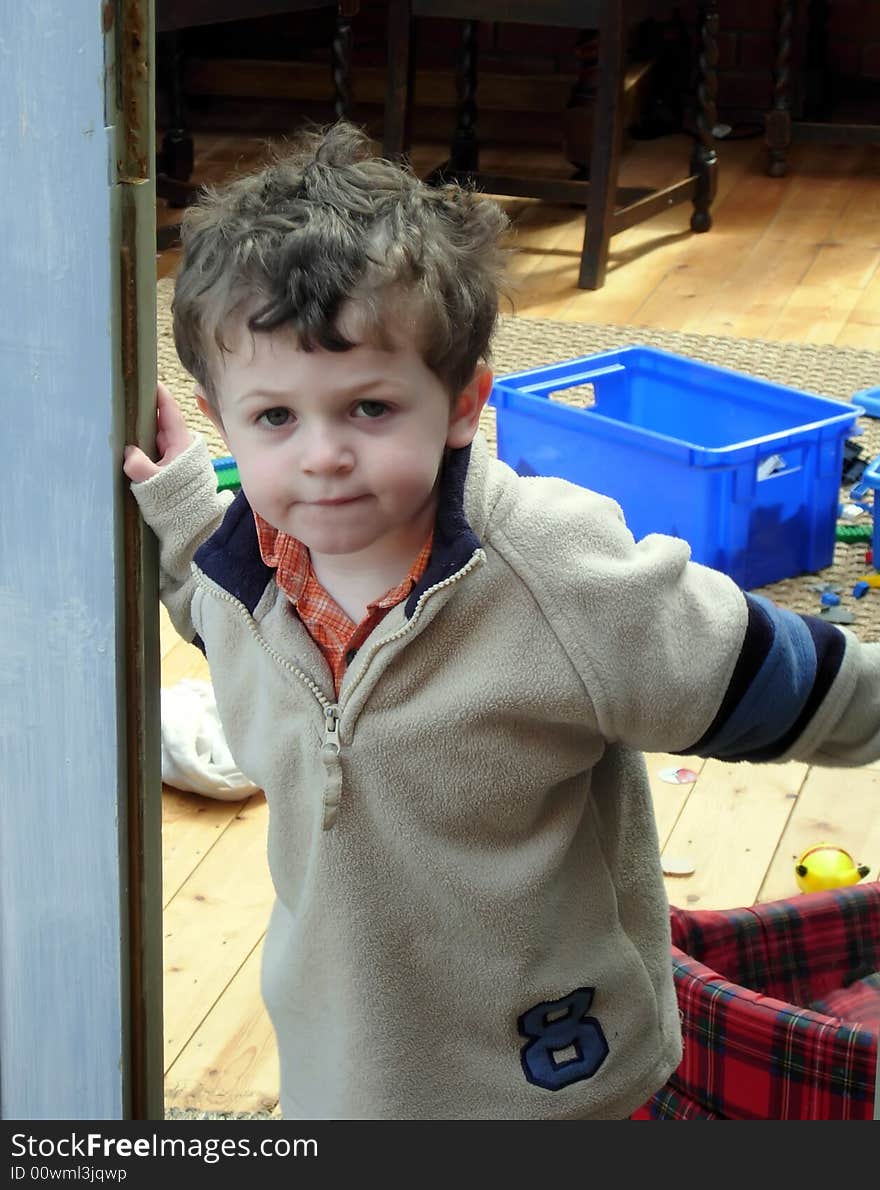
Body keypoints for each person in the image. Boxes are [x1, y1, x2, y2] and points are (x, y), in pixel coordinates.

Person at [125, 121, 880, 1120]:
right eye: (275, 418)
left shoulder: (558, 572)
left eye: (369, 408)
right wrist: (181, 507)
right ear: (224, 422)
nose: (322, 456)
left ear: (463, 401)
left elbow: (770, 675)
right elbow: (206, 607)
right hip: (349, 1063)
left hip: (552, 1079)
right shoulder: (242, 576)